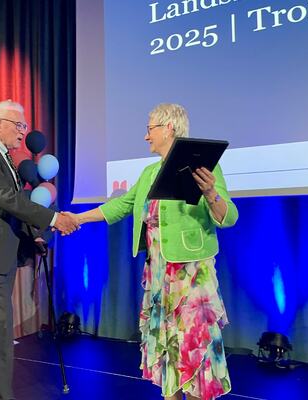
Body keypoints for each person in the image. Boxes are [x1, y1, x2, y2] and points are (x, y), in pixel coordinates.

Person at [74, 103, 238, 400]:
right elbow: (122, 205)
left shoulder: (205, 169)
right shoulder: (149, 173)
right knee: (168, 349)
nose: (146, 136)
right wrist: (78, 218)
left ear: (169, 128)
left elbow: (229, 217)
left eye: (150, 128)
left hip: (190, 276)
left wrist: (210, 193)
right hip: (159, 276)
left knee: (194, 348)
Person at [0, 100, 79, 400]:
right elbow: (6, 198)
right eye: (18, 125)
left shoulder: (3, 155)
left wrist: (33, 236)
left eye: (24, 126)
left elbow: (9, 203)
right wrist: (54, 219)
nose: (23, 132)